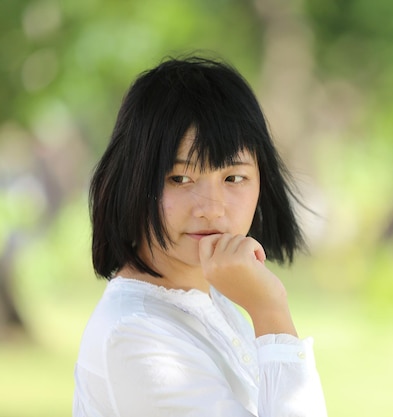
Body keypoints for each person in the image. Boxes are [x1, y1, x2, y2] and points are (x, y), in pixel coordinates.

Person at [73, 55, 327, 417]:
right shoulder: (134, 337)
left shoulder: (209, 300)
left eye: (233, 178)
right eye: (180, 178)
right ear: (132, 181)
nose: (211, 208)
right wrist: (270, 312)